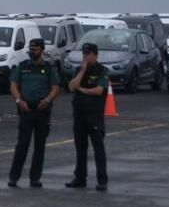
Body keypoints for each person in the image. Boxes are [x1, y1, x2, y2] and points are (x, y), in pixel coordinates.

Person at [7, 37, 60, 188]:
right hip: (26, 109)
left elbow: (56, 87)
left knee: (39, 146)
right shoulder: (23, 66)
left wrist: (48, 100)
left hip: (42, 110)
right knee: (22, 144)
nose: (32, 52)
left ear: (42, 50)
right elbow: (13, 84)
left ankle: (35, 178)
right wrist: (19, 100)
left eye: (35, 50)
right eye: (30, 49)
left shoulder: (48, 68)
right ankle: (14, 177)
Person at [64, 41, 111, 191]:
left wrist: (83, 90)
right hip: (79, 115)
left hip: (94, 116)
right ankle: (80, 177)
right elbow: (71, 87)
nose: (85, 57)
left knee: (98, 148)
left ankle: (102, 180)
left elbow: (99, 90)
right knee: (80, 148)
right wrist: (82, 72)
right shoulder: (79, 70)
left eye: (88, 54)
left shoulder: (101, 71)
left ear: (95, 55)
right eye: (84, 54)